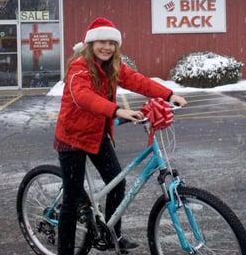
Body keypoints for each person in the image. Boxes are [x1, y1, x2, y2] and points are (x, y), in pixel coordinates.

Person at [54, 17, 187, 255]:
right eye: (101, 42)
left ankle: (113, 234)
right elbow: (83, 97)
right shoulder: (79, 67)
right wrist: (116, 110)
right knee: (72, 201)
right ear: (91, 43)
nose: (107, 47)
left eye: (111, 43)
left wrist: (168, 95)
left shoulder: (113, 67)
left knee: (117, 182)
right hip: (72, 137)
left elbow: (138, 81)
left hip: (97, 134)